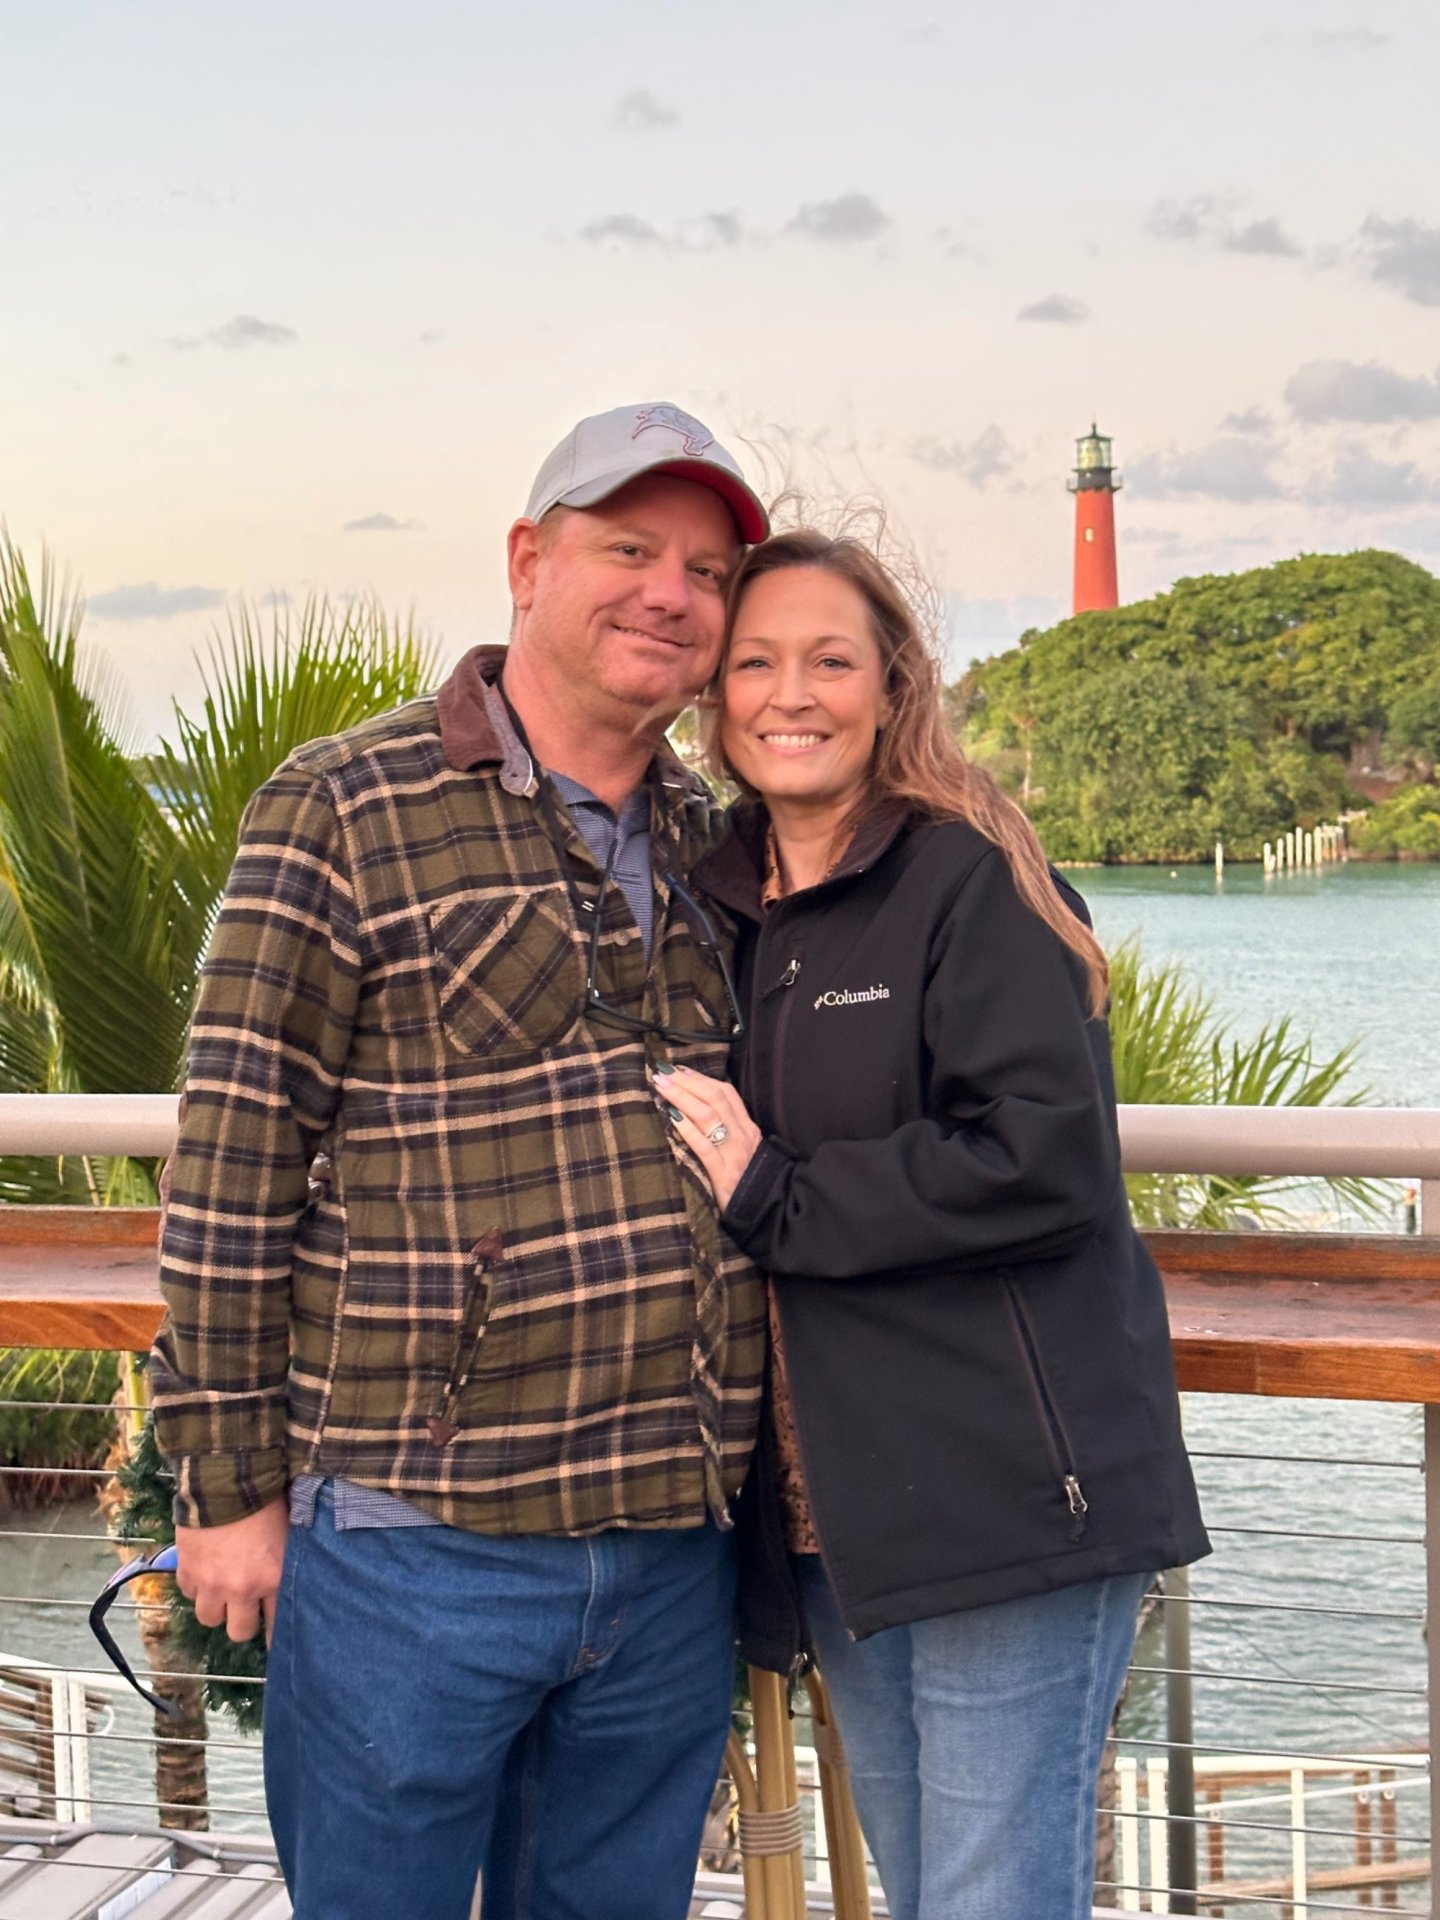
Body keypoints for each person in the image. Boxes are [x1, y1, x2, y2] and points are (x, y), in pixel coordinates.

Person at [148, 403, 772, 1920]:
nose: (669, 594)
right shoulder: (345, 804)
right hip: (419, 1547)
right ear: (525, 561)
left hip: (672, 1548)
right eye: (628, 550)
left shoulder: (723, 842)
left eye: (706, 570)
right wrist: (225, 1486)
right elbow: (232, 1158)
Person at [659, 528, 1211, 1920]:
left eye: (831, 660)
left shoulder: (969, 881)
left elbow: (1044, 1159)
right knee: (932, 1895)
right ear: (713, 699)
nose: (793, 693)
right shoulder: (720, 905)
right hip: (840, 1509)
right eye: (756, 663)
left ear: (892, 684)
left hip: (1007, 1492)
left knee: (988, 1903)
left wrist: (773, 1190)